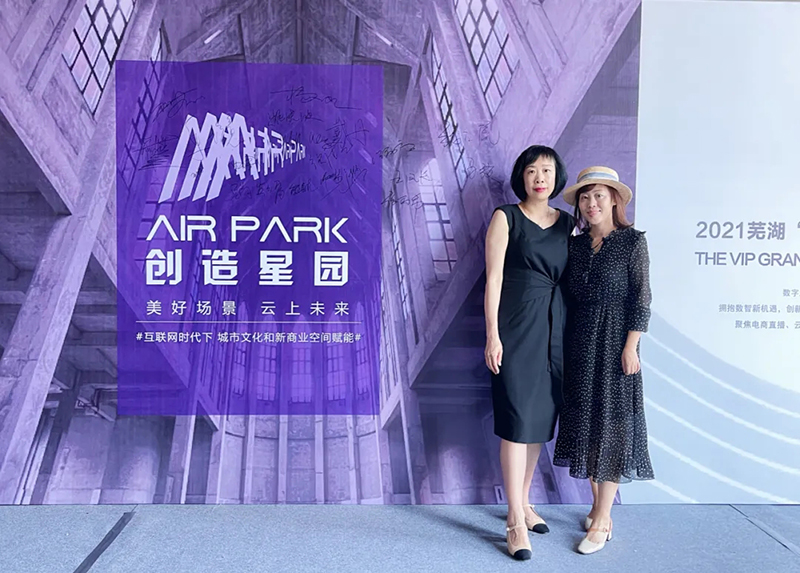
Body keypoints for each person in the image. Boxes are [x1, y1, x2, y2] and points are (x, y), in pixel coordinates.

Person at [552, 166, 655, 555]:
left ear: (614, 199)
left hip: (616, 344)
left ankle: (601, 519)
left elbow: (642, 297)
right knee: (586, 425)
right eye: (584, 196)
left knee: (612, 426)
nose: (591, 203)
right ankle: (599, 509)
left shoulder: (632, 242)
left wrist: (631, 346)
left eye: (598, 195)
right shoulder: (576, 246)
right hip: (579, 342)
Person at [484, 145, 575, 560]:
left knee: (538, 421)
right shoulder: (505, 217)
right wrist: (493, 335)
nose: (540, 178)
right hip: (515, 328)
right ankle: (513, 520)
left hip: (555, 330)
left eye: (548, 171)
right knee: (517, 419)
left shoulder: (568, 224)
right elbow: (493, 280)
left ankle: (523, 502)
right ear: (521, 176)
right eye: (533, 170)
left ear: (557, 178)